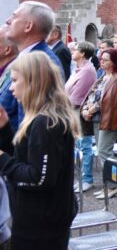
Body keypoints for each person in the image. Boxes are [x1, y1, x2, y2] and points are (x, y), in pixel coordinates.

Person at [0, 52, 80, 249]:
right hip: (37, 218)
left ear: (32, 82)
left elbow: (39, 178)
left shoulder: (46, 123)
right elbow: (25, 158)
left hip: (42, 224)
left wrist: (2, 160)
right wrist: (4, 129)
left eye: (15, 81)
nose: (11, 88)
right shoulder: (40, 118)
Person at [0, 1, 63, 142]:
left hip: (19, 157)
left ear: (28, 26)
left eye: (14, 16)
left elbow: (30, 127)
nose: (7, 21)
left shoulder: (41, 63)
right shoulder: (28, 58)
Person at [82, 49, 117, 199]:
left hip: (110, 119)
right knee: (102, 151)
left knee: (105, 152)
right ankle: (110, 184)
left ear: (115, 61)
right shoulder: (102, 77)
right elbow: (92, 95)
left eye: (106, 60)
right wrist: (86, 108)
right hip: (96, 119)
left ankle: (116, 185)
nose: (102, 62)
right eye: (101, 59)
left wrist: (93, 108)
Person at [65, 42, 98, 192]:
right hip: (72, 111)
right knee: (78, 146)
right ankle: (80, 178)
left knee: (84, 146)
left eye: (76, 50)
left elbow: (77, 96)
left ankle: (87, 179)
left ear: (83, 53)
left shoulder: (87, 71)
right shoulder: (78, 69)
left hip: (79, 112)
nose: (72, 51)